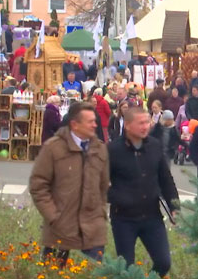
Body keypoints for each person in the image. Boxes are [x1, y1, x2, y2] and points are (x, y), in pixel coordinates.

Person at [29, 102, 109, 266]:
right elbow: (38, 185)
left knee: (95, 273)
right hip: (61, 226)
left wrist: (100, 212)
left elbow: (103, 185)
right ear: (75, 124)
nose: (95, 125)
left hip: (93, 228)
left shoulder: (100, 149)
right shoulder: (53, 148)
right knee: (52, 273)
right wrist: (53, 216)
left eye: (95, 121)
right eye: (90, 121)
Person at [108, 107, 179, 277]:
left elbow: (165, 179)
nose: (145, 126)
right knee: (126, 268)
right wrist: (117, 196)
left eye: (147, 122)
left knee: (163, 262)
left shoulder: (154, 146)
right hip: (124, 218)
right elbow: (97, 181)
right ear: (128, 125)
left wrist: (174, 205)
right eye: (141, 123)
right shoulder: (113, 150)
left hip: (152, 216)